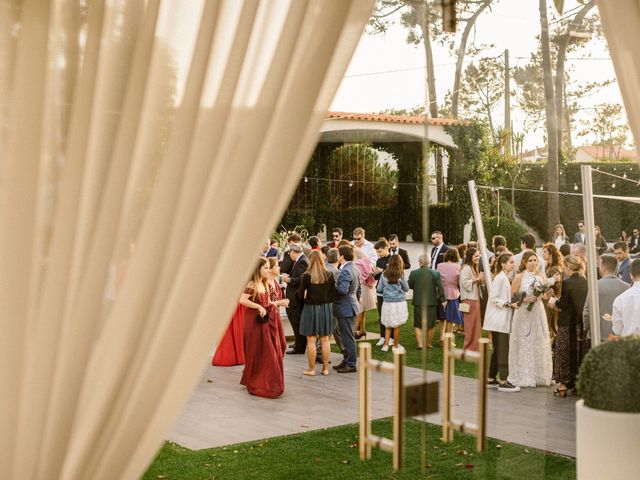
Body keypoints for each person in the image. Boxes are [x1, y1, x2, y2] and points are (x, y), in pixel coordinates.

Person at [239, 258, 287, 398]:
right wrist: (259, 306)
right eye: (265, 268)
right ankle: (254, 380)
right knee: (255, 351)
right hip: (253, 322)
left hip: (263, 321)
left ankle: (265, 379)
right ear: (257, 270)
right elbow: (242, 300)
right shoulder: (252, 283)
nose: (268, 270)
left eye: (268, 268)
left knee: (265, 351)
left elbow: (268, 302)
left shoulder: (264, 283)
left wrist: (279, 303)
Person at [507, 251, 553, 388]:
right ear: (524, 262)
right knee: (524, 340)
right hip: (523, 313)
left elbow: (543, 296)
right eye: (530, 260)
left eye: (535, 260)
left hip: (538, 311)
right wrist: (527, 299)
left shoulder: (541, 277)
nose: (533, 263)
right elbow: (513, 297)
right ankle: (524, 374)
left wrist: (547, 294)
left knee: (538, 340)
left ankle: (539, 374)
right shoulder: (519, 277)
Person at [548, 255, 588, 397]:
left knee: (563, 352)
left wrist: (554, 301)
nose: (564, 270)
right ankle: (577, 384)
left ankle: (563, 385)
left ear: (569, 267)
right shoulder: (585, 281)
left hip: (567, 323)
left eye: (565, 267)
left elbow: (564, 304)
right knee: (578, 353)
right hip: (580, 323)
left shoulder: (567, 282)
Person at [484, 252, 520, 392]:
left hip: (498, 320)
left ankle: (491, 377)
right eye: (511, 262)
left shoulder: (503, 277)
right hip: (498, 320)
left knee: (498, 349)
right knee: (503, 349)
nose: (513, 264)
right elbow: (493, 298)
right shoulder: (500, 278)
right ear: (504, 264)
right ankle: (504, 381)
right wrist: (509, 304)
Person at [297, 251, 336, 376]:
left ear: (310, 260)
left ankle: (312, 369)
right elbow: (333, 294)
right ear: (322, 259)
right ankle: (325, 369)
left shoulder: (307, 276)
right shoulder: (329, 274)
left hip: (310, 308)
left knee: (311, 341)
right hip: (325, 309)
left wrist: (303, 299)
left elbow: (299, 294)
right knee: (325, 340)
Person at [583, 254, 629, 341]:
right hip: (620, 336)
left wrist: (587, 328)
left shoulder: (595, 286)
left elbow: (587, 311)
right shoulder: (627, 287)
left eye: (600, 265)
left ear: (603, 267)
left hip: (599, 334)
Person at [333, 245, 361, 373]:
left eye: (338, 254)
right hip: (351, 304)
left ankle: (351, 364)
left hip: (346, 307)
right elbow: (358, 288)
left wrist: (332, 283)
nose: (337, 256)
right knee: (345, 336)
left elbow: (342, 290)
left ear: (342, 256)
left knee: (347, 337)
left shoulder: (346, 270)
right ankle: (346, 360)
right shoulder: (353, 267)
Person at [408, 253, 445, 349]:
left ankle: (420, 344)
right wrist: (443, 300)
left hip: (418, 302)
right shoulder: (436, 273)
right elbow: (441, 289)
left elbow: (410, 286)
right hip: (431, 302)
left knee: (418, 324)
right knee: (431, 325)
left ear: (420, 263)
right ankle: (428, 344)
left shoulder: (413, 273)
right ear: (430, 262)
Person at [377, 255, 409, 352]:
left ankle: (385, 345)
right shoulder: (401, 274)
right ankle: (395, 345)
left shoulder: (384, 274)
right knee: (396, 325)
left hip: (387, 302)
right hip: (399, 302)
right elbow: (406, 288)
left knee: (388, 324)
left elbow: (379, 289)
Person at [282, 244, 309, 354]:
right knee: (296, 321)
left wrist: (289, 280)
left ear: (293, 252)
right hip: (295, 296)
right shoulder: (301, 260)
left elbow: (301, 279)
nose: (290, 256)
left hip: (296, 297)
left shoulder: (302, 261)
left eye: (290, 254)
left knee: (296, 321)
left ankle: (300, 347)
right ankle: (299, 344)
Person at [436, 248, 464, 343]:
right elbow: (460, 282)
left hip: (441, 294)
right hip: (453, 294)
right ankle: (448, 339)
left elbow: (436, 280)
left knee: (442, 317)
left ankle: (441, 337)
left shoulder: (439, 265)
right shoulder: (458, 267)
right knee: (450, 319)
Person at [459, 247, 484, 351]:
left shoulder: (474, 267)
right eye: (476, 256)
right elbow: (464, 283)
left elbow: (474, 282)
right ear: (470, 256)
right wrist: (477, 279)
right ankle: (468, 347)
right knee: (470, 325)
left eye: (479, 255)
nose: (478, 257)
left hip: (475, 298)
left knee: (476, 324)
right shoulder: (466, 268)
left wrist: (480, 280)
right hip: (469, 300)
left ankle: (475, 346)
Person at [212, 299, 247, 366]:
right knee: (237, 327)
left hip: (238, 304)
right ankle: (235, 356)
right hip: (239, 303)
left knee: (237, 328)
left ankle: (237, 356)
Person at [373, 239, 393, 346]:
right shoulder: (379, 260)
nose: (378, 254)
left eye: (380, 251)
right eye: (377, 252)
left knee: (389, 314)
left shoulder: (393, 259)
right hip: (380, 291)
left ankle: (391, 338)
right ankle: (382, 336)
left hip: (389, 291)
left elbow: (394, 274)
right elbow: (377, 277)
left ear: (386, 248)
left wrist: (382, 271)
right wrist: (374, 273)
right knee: (381, 315)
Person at [612, 258, 640, 336]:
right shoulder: (621, 299)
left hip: (630, 344)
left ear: (631, 276)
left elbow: (617, 330)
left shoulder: (620, 299)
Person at [354, 248, 377, 340]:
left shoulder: (358, 262)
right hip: (366, 286)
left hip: (363, 287)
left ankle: (353, 331)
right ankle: (362, 330)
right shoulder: (364, 261)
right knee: (362, 310)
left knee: (360, 309)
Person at [325, 248, 345, 354]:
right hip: (332, 303)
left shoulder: (324, 268)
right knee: (332, 327)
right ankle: (319, 350)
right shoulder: (336, 272)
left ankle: (344, 349)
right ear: (338, 258)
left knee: (335, 327)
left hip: (324, 302)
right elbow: (337, 289)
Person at [542, 242, 563, 337]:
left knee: (550, 324)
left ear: (551, 253)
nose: (543, 254)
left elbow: (558, 285)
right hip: (545, 299)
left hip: (551, 300)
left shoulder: (555, 268)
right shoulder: (547, 266)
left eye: (545, 252)